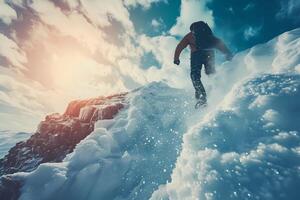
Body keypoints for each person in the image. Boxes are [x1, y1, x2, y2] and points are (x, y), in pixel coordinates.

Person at [174, 21, 233, 108]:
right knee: (211, 73)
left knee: (195, 75)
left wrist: (176, 58)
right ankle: (220, 90)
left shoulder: (190, 35)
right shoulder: (208, 35)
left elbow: (180, 46)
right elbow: (218, 43)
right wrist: (228, 54)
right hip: (209, 53)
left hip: (196, 55)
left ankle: (202, 97)